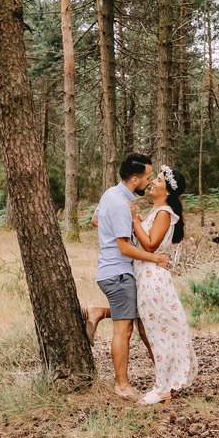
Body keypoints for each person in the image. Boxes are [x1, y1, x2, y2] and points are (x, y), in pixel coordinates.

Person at [89, 153, 169, 400]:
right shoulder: (122, 205)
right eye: (147, 177)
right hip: (119, 274)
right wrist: (156, 258)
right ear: (135, 180)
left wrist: (122, 224)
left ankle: (96, 312)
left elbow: (95, 220)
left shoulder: (110, 194)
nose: (149, 182)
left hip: (108, 270)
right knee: (123, 331)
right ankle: (122, 385)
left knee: (134, 316)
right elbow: (124, 248)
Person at [128, 164, 198, 405]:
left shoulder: (164, 212)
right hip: (145, 276)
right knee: (151, 330)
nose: (152, 183)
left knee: (158, 333)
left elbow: (150, 245)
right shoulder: (156, 211)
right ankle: (167, 382)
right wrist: (138, 220)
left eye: (158, 180)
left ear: (167, 190)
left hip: (153, 279)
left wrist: (133, 219)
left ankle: (162, 389)